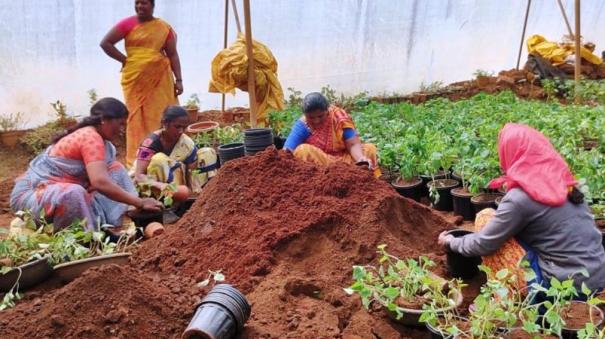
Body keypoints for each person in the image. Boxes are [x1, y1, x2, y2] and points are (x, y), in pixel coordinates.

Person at [438, 123, 605, 291]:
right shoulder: (566, 184)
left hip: (564, 288)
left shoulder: (521, 198)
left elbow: (483, 244)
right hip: (597, 278)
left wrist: (451, 242)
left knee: (485, 218)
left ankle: (505, 299)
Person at [10, 98, 163, 232]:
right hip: (32, 196)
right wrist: (140, 202)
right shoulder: (90, 137)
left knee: (116, 170)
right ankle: (83, 238)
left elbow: (101, 178)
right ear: (104, 119)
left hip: (55, 191)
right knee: (74, 193)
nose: (122, 130)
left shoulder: (101, 140)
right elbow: (100, 182)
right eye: (120, 124)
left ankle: (124, 217)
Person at [100, 0, 183, 167]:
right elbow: (105, 43)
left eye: (144, 3)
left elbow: (173, 54)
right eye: (137, 3)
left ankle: (166, 154)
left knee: (162, 114)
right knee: (136, 117)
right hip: (135, 79)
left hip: (160, 79)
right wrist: (125, 60)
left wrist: (179, 80)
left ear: (152, 6)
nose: (139, 7)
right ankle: (140, 159)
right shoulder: (128, 23)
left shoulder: (163, 27)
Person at [283, 92, 380, 177]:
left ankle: (360, 176)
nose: (316, 121)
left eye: (320, 116)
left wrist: (360, 159)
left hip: (345, 160)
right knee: (302, 151)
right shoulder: (303, 125)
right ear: (305, 115)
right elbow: (286, 151)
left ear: (327, 111)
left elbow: (353, 144)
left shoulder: (338, 117)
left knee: (369, 149)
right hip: (321, 164)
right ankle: (320, 181)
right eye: (311, 117)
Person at [133, 106, 216, 192]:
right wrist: (161, 186)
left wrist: (191, 190)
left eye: (184, 128)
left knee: (207, 153)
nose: (181, 131)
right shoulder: (150, 143)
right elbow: (139, 176)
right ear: (164, 123)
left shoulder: (186, 143)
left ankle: (207, 192)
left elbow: (191, 172)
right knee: (159, 159)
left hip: (178, 186)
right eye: (177, 127)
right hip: (152, 186)